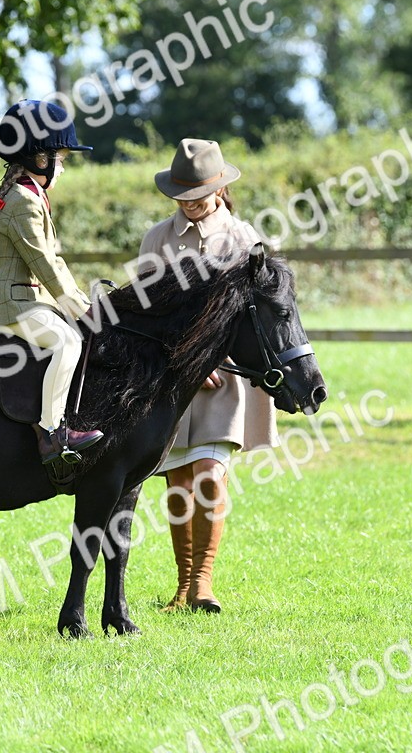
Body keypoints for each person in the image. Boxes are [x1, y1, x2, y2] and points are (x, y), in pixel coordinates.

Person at [140, 138, 276, 613]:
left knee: (209, 477)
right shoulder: (156, 238)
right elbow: (147, 313)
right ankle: (181, 587)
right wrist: (185, 363)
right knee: (177, 483)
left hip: (226, 379)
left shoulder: (244, 239)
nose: (189, 205)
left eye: (197, 196)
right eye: (182, 198)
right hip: (173, 378)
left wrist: (210, 361)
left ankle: (203, 583)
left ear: (219, 189)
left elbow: (255, 316)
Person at [0, 100, 104, 464]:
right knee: (68, 342)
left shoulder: (23, 196)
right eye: (59, 158)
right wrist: (83, 310)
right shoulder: (23, 202)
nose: (62, 167)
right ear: (39, 159)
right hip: (13, 304)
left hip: (19, 299)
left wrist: (79, 300)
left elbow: (53, 263)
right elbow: (45, 264)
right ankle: (52, 433)